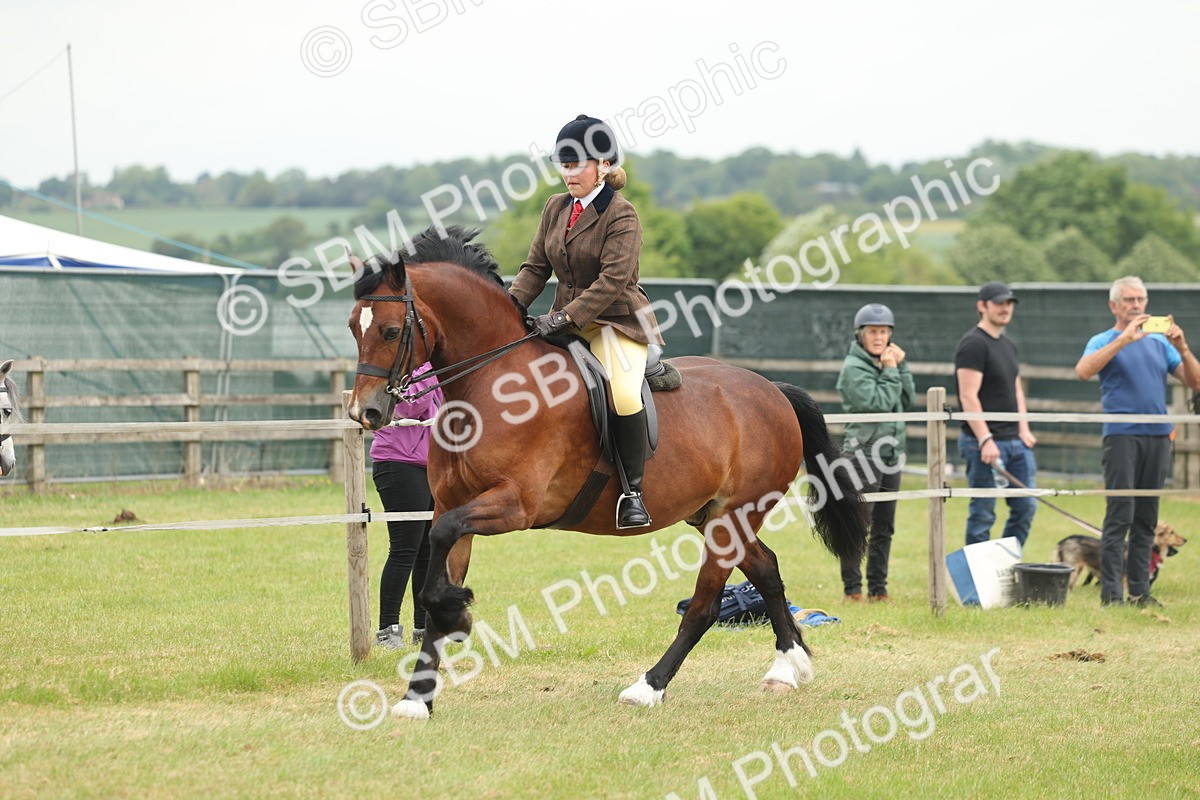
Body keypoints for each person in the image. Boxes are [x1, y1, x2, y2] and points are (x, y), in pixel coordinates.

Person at [509, 114, 664, 529]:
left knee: (625, 396)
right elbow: (534, 268)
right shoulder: (555, 208)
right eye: (564, 163)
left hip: (617, 323)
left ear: (606, 165)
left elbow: (613, 281)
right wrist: (507, 309)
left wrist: (562, 316)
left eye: (577, 164)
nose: (568, 173)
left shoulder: (622, 215)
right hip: (565, 323)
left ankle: (633, 494)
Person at [1074, 276, 1200, 607]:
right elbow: (1083, 371)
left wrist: (1183, 348)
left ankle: (1141, 591)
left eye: (1141, 299)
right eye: (1129, 300)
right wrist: (1122, 341)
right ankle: (1112, 593)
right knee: (1120, 514)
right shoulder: (1102, 339)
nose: (1136, 306)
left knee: (1147, 516)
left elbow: (1195, 381)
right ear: (1114, 306)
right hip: (1121, 437)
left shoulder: (1160, 343)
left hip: (1158, 437)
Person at [836, 303, 914, 602]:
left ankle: (879, 589)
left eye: (884, 332)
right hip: (863, 454)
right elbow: (880, 402)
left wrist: (901, 367)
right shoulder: (853, 368)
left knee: (885, 526)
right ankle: (852, 590)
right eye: (873, 332)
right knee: (859, 523)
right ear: (861, 335)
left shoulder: (888, 362)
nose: (879, 337)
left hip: (892, 454)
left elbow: (907, 399)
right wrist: (893, 369)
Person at [954, 281, 1038, 548]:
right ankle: (978, 582)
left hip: (1016, 441)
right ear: (982, 306)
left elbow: (1016, 390)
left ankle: (1003, 567)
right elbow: (968, 395)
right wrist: (985, 438)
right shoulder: (973, 344)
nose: (1005, 308)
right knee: (983, 514)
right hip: (984, 443)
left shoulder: (1009, 345)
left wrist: (1024, 428)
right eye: (999, 303)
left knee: (1026, 506)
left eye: (1009, 303)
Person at [372, 361, 442, 648]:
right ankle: (387, 629)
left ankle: (422, 628)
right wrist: (430, 369)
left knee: (428, 549)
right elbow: (411, 406)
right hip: (397, 462)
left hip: (430, 464)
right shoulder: (400, 366)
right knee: (404, 549)